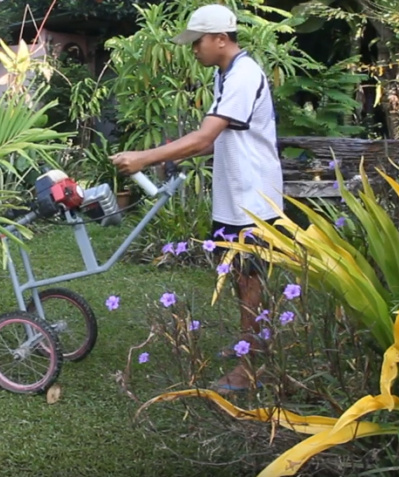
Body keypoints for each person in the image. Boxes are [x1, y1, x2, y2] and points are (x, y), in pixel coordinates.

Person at [110, 4, 284, 394]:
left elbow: (206, 137)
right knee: (241, 277)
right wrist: (166, 155)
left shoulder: (243, 76)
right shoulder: (226, 75)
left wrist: (145, 157)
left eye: (198, 42)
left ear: (221, 39)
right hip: (236, 194)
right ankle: (252, 344)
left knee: (250, 279)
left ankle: (249, 368)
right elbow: (213, 139)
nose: (194, 50)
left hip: (253, 197)